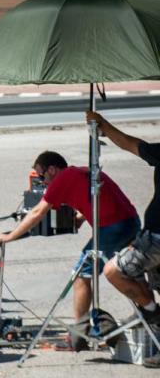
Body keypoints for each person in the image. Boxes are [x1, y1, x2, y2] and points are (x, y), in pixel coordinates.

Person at [0, 150, 142, 324]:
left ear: (52, 170)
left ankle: (79, 334)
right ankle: (148, 311)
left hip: (112, 227)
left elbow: (37, 212)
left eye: (42, 177)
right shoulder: (83, 172)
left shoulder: (62, 179)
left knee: (81, 276)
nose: (42, 182)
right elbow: (99, 199)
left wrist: (10, 236)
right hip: (131, 221)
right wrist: (80, 217)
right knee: (130, 271)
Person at [85, 111, 160, 336]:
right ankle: (151, 322)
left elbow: (130, 144)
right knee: (144, 280)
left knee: (113, 271)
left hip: (156, 238)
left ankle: (152, 313)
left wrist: (104, 126)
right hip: (151, 237)